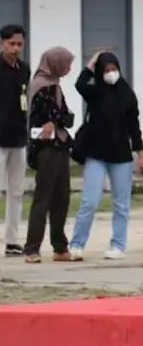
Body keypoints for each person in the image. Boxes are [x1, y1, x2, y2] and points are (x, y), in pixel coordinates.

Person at [69, 51, 143, 261]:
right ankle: (76, 244)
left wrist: (140, 154)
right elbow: (80, 85)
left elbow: (134, 127)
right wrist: (90, 64)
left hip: (121, 156)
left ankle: (118, 244)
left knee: (121, 204)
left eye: (114, 69)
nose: (111, 73)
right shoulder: (94, 92)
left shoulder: (127, 95)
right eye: (106, 70)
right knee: (90, 202)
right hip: (96, 154)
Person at [22, 46, 76, 264]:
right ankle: (32, 248)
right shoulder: (42, 87)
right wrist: (58, 118)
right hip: (47, 149)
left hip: (59, 147)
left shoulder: (54, 86)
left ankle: (60, 247)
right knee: (43, 198)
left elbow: (65, 117)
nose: (68, 68)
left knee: (61, 198)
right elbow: (54, 116)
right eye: (66, 63)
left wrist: (58, 118)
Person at [0, 24, 30, 257]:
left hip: (18, 137)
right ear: (2, 43)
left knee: (16, 191)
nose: (16, 48)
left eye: (19, 44)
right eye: (11, 43)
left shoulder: (24, 69)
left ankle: (12, 240)